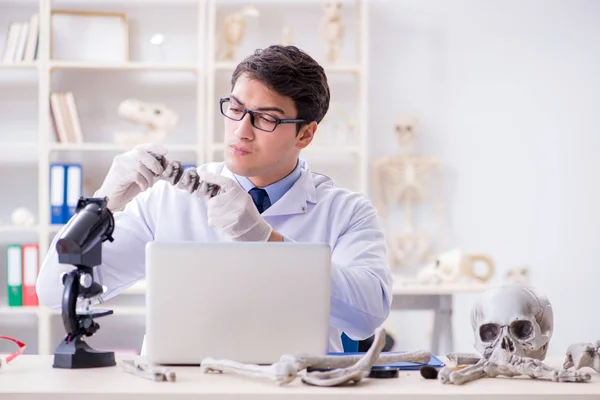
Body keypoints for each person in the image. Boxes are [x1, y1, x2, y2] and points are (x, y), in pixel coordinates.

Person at [36, 45, 393, 352]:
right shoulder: (168, 200)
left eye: (265, 119)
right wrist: (101, 206)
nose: (241, 131)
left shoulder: (346, 211)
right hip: (177, 386)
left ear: (306, 134)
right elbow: (55, 291)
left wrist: (268, 242)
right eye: (235, 109)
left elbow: (368, 315)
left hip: (293, 385)